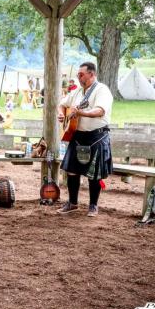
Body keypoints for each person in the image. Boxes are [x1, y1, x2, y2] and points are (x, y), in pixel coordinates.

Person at [57, 62, 113, 217]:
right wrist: (62, 114)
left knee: (94, 174)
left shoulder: (102, 90)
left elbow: (100, 111)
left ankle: (93, 206)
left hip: (96, 136)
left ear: (92, 74)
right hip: (78, 136)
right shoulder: (77, 92)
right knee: (72, 171)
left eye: (81, 74)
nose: (78, 77)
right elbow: (62, 104)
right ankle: (72, 203)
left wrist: (82, 113)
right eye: (78, 74)